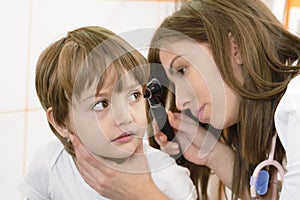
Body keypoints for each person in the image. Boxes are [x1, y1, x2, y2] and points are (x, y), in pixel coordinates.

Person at [67, 0, 300, 199]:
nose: (179, 104)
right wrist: (212, 155)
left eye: (182, 70)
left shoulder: (297, 103)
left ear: (234, 47)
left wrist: (145, 194)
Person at [18, 26, 198, 200]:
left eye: (134, 95)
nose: (126, 118)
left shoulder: (167, 177)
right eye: (101, 104)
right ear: (60, 122)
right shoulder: (51, 166)